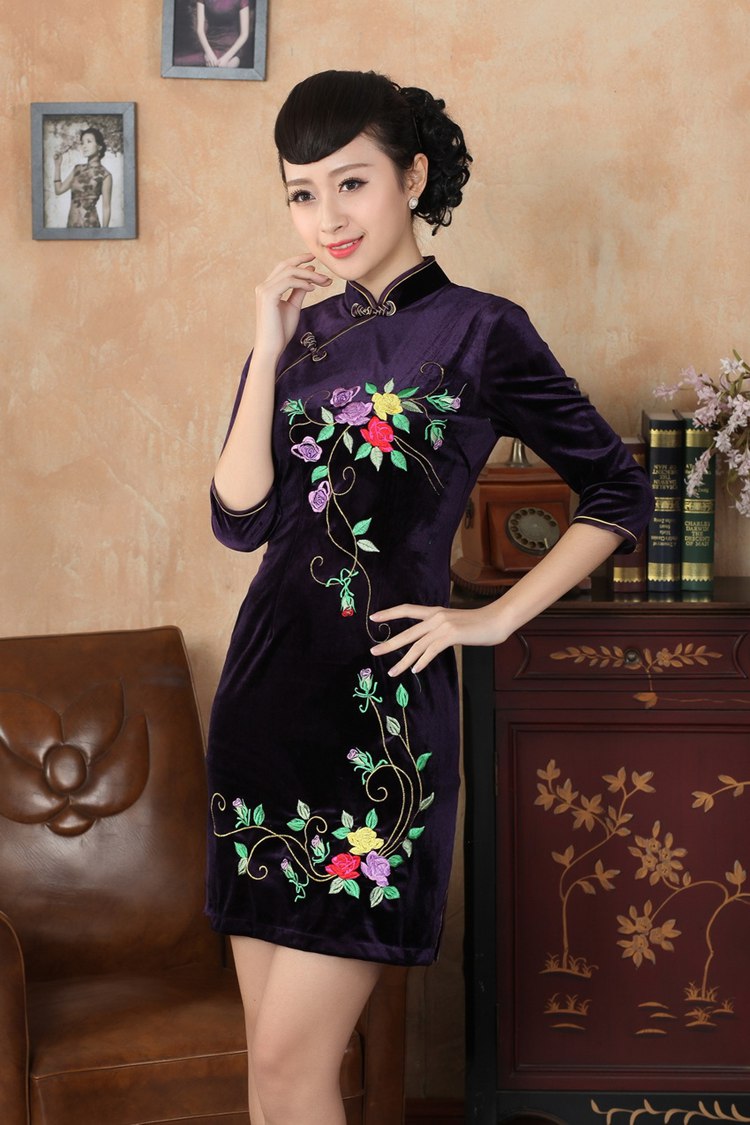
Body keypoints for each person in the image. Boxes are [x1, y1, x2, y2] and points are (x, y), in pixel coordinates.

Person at [206, 69, 653, 1124]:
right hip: (262, 716)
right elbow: (238, 520)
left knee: (294, 1068)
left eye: (351, 183)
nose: (327, 217)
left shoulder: (481, 331)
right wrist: (266, 345)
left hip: (378, 730)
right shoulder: (296, 337)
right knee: (270, 1073)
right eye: (302, 192)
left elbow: (620, 490)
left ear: (411, 178)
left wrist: (491, 617)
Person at [53, 127, 112, 229]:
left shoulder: (105, 175)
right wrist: (57, 166)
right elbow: (58, 190)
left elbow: (106, 207)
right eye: (82, 143)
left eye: (89, 142)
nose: (84, 146)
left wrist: (104, 232)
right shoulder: (78, 169)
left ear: (99, 146)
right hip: (71, 226)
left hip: (91, 226)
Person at [173, 0, 253, 69]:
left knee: (224, 70)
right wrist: (209, 53)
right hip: (209, 46)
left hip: (231, 49)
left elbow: (244, 34)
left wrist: (226, 58)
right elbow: (200, 30)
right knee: (175, 62)